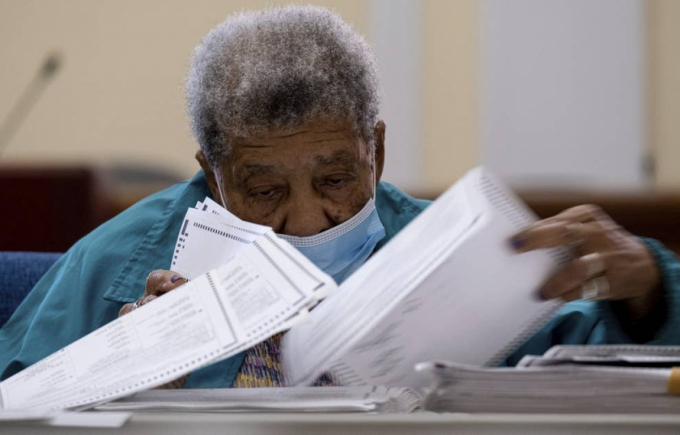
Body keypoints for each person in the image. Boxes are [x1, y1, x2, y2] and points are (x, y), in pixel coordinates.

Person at [1, 6, 678, 388]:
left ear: (375, 151)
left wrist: (650, 290)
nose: (305, 217)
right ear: (213, 173)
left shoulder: (456, 253)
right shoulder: (122, 258)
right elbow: (19, 393)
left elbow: (614, 367)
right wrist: (123, 378)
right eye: (262, 190)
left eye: (334, 180)